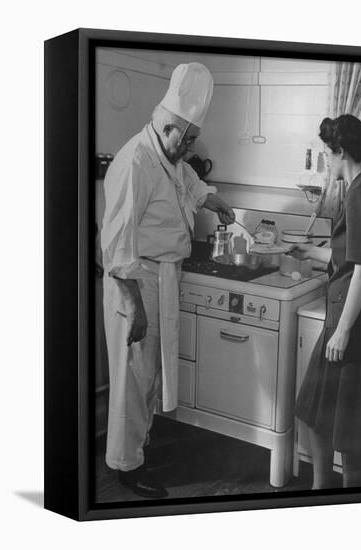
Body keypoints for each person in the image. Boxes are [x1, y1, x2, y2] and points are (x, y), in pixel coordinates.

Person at [100, 63, 235, 499]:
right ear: (171, 125)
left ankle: (140, 446)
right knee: (133, 377)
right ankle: (125, 467)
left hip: (164, 277)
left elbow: (189, 185)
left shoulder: (169, 154)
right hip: (136, 281)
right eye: (190, 139)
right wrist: (135, 306)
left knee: (152, 373)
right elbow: (116, 245)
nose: (192, 147)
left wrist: (213, 201)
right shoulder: (134, 161)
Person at [291, 114, 361, 489]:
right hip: (352, 318)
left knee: (325, 415)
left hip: (352, 324)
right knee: (338, 418)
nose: (327, 163)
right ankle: (328, 491)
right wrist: (308, 252)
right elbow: (347, 256)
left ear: (341, 152)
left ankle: (329, 493)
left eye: (328, 156)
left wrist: (342, 332)